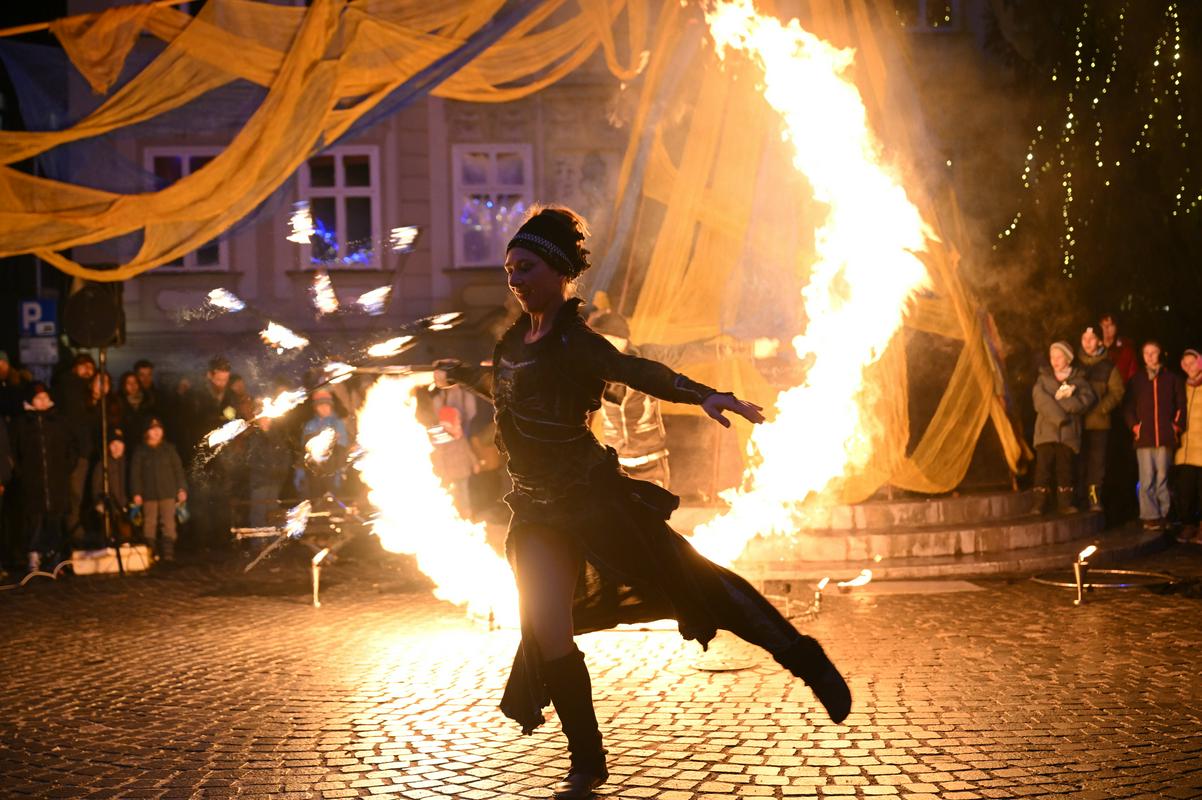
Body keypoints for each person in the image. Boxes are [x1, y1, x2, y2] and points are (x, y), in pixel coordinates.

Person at [439, 205, 849, 799]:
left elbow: (633, 369)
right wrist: (467, 375)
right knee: (548, 630)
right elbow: (512, 393)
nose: (514, 279)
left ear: (557, 272)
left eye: (525, 267)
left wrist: (704, 394)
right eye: (508, 269)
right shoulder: (510, 346)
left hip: (592, 500)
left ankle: (801, 656)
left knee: (695, 579)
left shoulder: (576, 343)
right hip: (533, 515)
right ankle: (587, 762)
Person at [589, 310, 778, 488]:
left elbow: (691, 351)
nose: (600, 347)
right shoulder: (596, 367)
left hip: (650, 465)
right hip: (614, 463)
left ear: (621, 340)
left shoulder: (649, 357)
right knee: (615, 520)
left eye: (605, 339)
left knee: (649, 519)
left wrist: (748, 348)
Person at [12, 384, 75, 572]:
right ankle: (34, 555)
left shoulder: (59, 421)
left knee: (55, 520)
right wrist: (21, 472)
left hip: (56, 480)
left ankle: (54, 556)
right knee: (35, 520)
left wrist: (65, 468)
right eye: (38, 398)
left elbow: (71, 447)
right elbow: (14, 451)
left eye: (45, 398)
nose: (42, 402)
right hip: (33, 481)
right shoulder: (22, 423)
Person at [1124, 340, 1186, 530]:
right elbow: (1128, 407)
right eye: (1146, 353)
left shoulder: (1172, 379)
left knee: (1163, 477)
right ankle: (1150, 516)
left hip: (1165, 437)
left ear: (1160, 354)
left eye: (1154, 352)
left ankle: (1165, 513)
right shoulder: (1136, 380)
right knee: (1147, 478)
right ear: (1143, 356)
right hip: (1144, 438)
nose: (1150, 356)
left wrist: (1175, 427)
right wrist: (1135, 427)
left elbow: (1181, 405)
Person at [1031, 341, 1096, 514]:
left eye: (1059, 357)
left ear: (1068, 359)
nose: (1055, 361)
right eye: (1052, 357)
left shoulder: (1078, 380)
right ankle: (1039, 503)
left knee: (1065, 468)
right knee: (1043, 468)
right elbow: (1040, 401)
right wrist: (1060, 415)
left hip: (1068, 434)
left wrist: (1065, 403)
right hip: (1046, 432)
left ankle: (1065, 503)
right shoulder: (1043, 379)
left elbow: (1086, 400)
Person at [416, 370, 486, 516]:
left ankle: (465, 511)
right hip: (452, 472)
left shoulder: (460, 436)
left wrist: (474, 463)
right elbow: (439, 456)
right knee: (454, 492)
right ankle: (456, 512)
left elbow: (467, 449)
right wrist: (442, 472)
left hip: (463, 469)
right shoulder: (442, 440)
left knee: (464, 491)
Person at [1076, 326, 1125, 511]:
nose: (1088, 343)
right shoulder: (1075, 364)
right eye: (1084, 338)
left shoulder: (1108, 366)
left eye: (1092, 338)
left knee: (1097, 462)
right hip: (1078, 423)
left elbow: (1118, 392)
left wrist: (1103, 408)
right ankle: (1078, 498)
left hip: (1099, 423)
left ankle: (1094, 498)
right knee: (1079, 461)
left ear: (1099, 341)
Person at [53, 353, 96, 545]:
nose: (88, 371)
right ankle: (72, 533)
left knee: (76, 495)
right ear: (75, 367)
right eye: (84, 366)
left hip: (81, 450)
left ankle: (74, 530)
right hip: (74, 451)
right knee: (73, 495)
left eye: (91, 368)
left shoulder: (82, 393)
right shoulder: (70, 387)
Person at [131, 418, 187, 562]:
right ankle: (151, 553)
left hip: (167, 492)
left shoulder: (169, 449)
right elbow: (135, 474)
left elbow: (178, 470)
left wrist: (181, 489)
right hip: (149, 494)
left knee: (168, 523)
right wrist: (136, 492)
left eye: (159, 428)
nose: (156, 431)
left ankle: (168, 553)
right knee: (149, 523)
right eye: (152, 429)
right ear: (146, 432)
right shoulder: (140, 451)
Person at [1173, 348, 1202, 542]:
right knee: (1185, 491)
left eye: (1193, 363)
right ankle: (1188, 525)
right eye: (1186, 364)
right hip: (1184, 449)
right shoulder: (1181, 386)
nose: (1189, 367)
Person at [90, 431, 131, 544]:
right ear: (108, 447)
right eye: (113, 444)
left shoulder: (127, 464)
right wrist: (99, 502)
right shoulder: (102, 464)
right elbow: (96, 485)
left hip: (123, 507)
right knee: (108, 536)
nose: (117, 448)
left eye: (120, 444)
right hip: (108, 508)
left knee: (125, 535)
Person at [1099, 313, 1138, 383]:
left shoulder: (1126, 349)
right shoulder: (1096, 348)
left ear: (1116, 327)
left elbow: (1133, 376)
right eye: (1103, 325)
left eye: (1110, 325)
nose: (1106, 328)